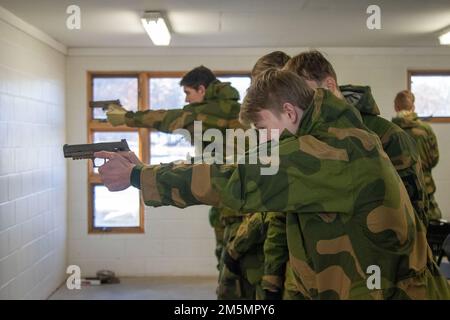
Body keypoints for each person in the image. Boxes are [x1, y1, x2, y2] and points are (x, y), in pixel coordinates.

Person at [96, 69, 450, 299]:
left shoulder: (330, 150)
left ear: (291, 112)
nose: (264, 141)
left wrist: (138, 176)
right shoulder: (335, 136)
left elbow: (237, 179)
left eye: (265, 128)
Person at [106, 65, 247, 298]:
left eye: (188, 93)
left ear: (202, 89)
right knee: (238, 262)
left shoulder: (209, 112)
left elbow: (168, 119)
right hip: (242, 192)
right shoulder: (236, 110)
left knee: (232, 265)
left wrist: (126, 117)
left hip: (231, 198)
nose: (186, 100)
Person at [283, 51, 430, 228]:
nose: (298, 107)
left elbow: (413, 219)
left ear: (329, 86)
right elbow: (286, 219)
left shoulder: (389, 137)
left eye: (304, 96)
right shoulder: (301, 139)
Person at [222, 51, 291, 300]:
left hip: (271, 254)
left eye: (258, 85)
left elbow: (278, 209)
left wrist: (237, 246)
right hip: (255, 242)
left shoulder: (290, 137)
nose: (254, 92)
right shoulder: (269, 132)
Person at [392, 90, 442, 220]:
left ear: (396, 107)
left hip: (398, 187)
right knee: (432, 225)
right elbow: (434, 158)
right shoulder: (425, 129)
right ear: (413, 106)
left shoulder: (389, 129)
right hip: (424, 184)